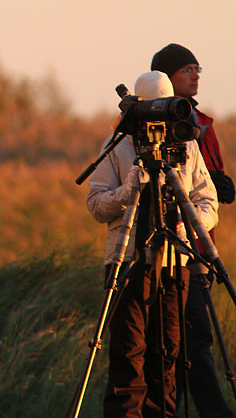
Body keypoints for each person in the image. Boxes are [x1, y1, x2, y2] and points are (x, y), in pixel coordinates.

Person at [87, 71, 218, 417]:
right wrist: (128, 191)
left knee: (168, 355)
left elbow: (209, 203)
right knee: (129, 356)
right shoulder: (119, 145)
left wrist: (188, 224)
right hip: (128, 262)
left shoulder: (186, 145)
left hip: (174, 263)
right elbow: (96, 204)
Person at [152, 43, 235, 418]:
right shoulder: (150, 125)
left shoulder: (205, 125)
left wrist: (219, 185)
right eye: (187, 69)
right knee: (190, 339)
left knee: (193, 339)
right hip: (164, 249)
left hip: (199, 246)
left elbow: (206, 191)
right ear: (165, 78)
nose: (196, 75)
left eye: (196, 67)